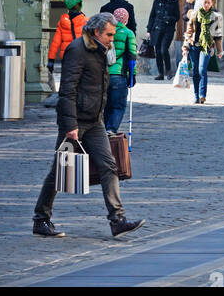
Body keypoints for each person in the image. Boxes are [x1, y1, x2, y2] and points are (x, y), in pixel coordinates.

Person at [32, 12, 144, 239]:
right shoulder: (77, 50)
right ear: (96, 32)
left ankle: (117, 220)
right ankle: (40, 219)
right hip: (75, 123)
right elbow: (67, 90)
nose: (112, 39)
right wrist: (70, 124)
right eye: (109, 35)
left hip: (95, 122)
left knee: (109, 165)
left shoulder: (101, 50)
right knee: (59, 172)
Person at [182, 0, 223, 104]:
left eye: (208, 3)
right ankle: (196, 95)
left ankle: (202, 95)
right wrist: (185, 47)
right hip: (194, 46)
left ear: (212, 3)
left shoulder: (216, 17)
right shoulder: (195, 15)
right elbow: (189, 32)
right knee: (195, 72)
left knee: (202, 70)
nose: (206, 5)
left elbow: (218, 35)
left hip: (207, 47)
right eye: (204, 2)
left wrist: (220, 50)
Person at [104, 8, 136, 133]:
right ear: (126, 20)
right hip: (119, 75)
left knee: (106, 106)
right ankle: (111, 129)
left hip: (105, 74)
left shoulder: (106, 32)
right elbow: (132, 56)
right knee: (118, 106)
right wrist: (132, 75)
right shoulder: (128, 33)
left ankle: (104, 130)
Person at [47, 0, 87, 80]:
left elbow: (55, 42)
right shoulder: (86, 21)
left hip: (67, 55)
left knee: (67, 79)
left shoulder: (62, 22)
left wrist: (51, 60)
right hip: (82, 55)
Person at [147, 0, 180, 81]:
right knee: (158, 52)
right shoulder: (156, 2)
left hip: (168, 30)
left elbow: (177, 17)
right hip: (156, 30)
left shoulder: (173, 2)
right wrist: (149, 30)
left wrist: (168, 18)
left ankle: (169, 71)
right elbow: (152, 16)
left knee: (163, 50)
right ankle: (161, 74)